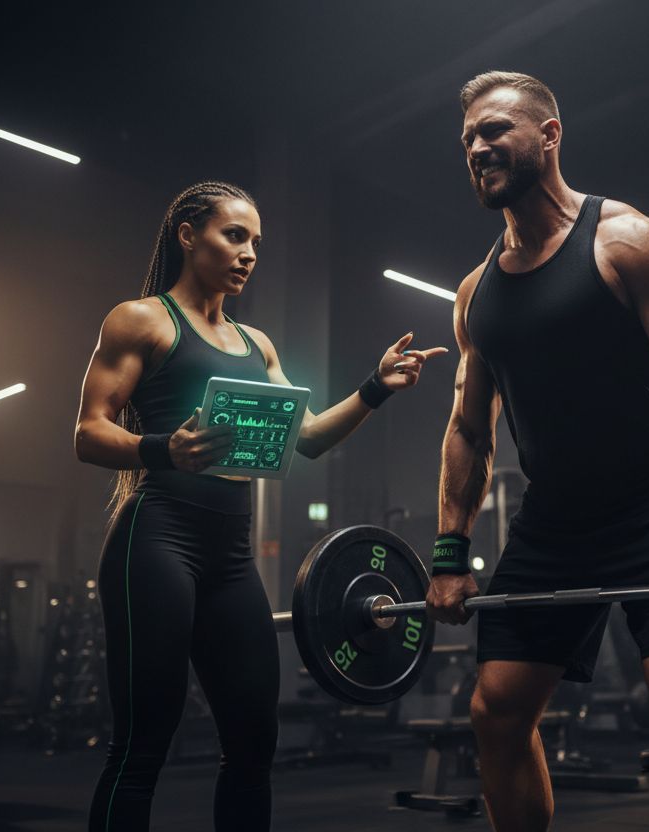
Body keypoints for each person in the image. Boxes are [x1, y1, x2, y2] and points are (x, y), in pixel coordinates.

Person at [425, 72, 649, 831]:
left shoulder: (631, 242)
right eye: (468, 139)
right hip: (554, 520)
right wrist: (448, 553)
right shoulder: (475, 293)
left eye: (495, 130)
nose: (477, 148)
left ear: (549, 135)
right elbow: (469, 429)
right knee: (495, 712)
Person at [74, 180, 446, 831]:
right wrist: (163, 449)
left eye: (256, 242)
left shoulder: (257, 344)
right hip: (156, 541)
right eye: (234, 235)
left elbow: (309, 439)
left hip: (230, 557)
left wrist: (376, 386)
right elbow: (88, 433)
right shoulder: (140, 320)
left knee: (253, 746)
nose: (249, 253)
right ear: (188, 235)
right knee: (143, 745)